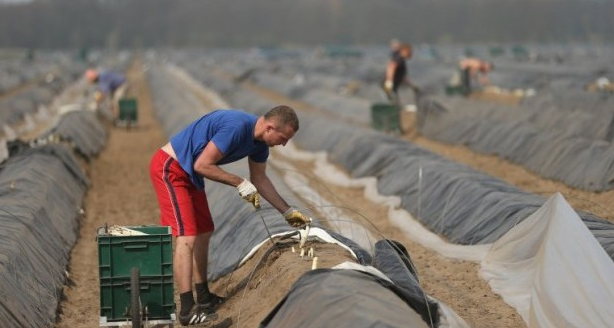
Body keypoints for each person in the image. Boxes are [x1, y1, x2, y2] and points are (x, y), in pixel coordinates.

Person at [149, 105, 311, 326]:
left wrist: (288, 211)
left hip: (190, 175)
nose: (283, 144)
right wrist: (239, 182)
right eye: (283, 138)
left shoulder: (260, 145)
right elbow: (202, 165)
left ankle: (203, 296)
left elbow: (260, 179)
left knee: (205, 231)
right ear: (270, 127)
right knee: (186, 237)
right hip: (172, 169)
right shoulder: (237, 127)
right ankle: (187, 310)